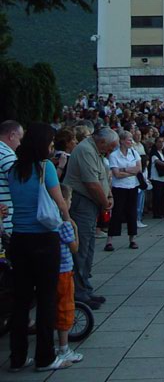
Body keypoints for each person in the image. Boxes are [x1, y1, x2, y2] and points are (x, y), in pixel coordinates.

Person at [8, 122, 73, 371]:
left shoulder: (14, 169)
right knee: (46, 298)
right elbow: (60, 202)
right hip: (44, 237)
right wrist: (68, 221)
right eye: (50, 142)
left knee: (21, 300)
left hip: (19, 237)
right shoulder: (45, 167)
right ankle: (45, 357)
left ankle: (17, 357)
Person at [64, 127, 118, 308]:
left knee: (88, 247)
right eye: (110, 148)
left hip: (90, 203)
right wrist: (105, 202)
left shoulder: (95, 151)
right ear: (102, 142)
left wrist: (109, 196)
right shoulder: (85, 150)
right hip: (82, 202)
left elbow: (102, 179)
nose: (110, 152)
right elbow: (91, 183)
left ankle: (85, 288)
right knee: (82, 248)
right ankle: (79, 292)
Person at [55, 183, 83, 364]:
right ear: (63, 201)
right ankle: (64, 347)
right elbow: (74, 247)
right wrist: (76, 230)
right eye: (70, 199)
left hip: (52, 270)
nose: (71, 202)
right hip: (64, 270)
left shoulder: (51, 222)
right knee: (65, 305)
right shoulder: (64, 225)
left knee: (53, 304)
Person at [104, 130, 142, 252]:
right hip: (119, 187)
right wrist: (130, 171)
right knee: (117, 213)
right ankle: (109, 241)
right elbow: (116, 174)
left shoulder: (134, 153)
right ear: (122, 141)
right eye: (129, 140)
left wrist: (124, 169)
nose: (131, 142)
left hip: (133, 186)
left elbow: (138, 169)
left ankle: (132, 239)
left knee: (132, 213)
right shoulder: (114, 155)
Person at [0, 119, 24, 238]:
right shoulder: (7, 155)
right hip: (6, 223)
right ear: (12, 135)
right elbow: (21, 183)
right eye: (20, 139)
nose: (20, 144)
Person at [148, 136, 164, 218]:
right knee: (157, 195)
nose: (161, 144)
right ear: (155, 143)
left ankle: (162, 211)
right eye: (159, 142)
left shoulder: (163, 152)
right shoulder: (154, 152)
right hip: (156, 177)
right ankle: (156, 212)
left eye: (162, 142)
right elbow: (157, 161)